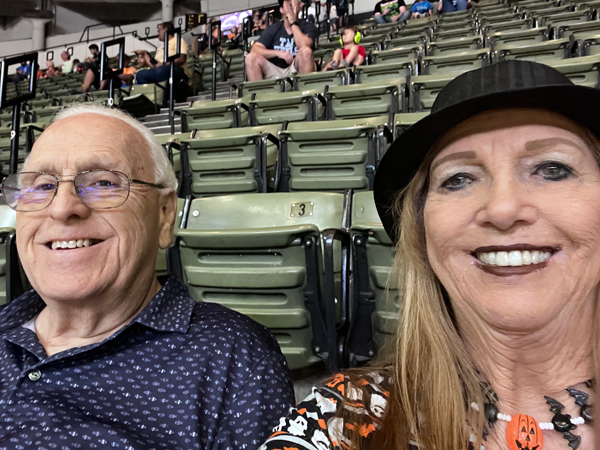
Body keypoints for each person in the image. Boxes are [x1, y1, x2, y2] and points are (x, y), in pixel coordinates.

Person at [260, 60, 600, 450]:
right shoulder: (344, 418)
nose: (503, 208)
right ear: (422, 232)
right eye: (458, 179)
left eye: (553, 168)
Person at [0, 104, 295, 448]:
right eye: (42, 185)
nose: (63, 207)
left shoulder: (232, 358)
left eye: (102, 182)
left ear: (165, 215)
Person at [246, 0, 317, 81]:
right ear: (281, 10)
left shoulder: (308, 26)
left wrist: (293, 23)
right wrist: (278, 53)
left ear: (299, 7)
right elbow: (255, 49)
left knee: (306, 51)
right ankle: (259, 93)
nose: (291, 8)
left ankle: (306, 92)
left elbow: (305, 46)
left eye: (293, 4)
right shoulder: (273, 28)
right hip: (275, 70)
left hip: (297, 68)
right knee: (251, 58)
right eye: (288, 5)